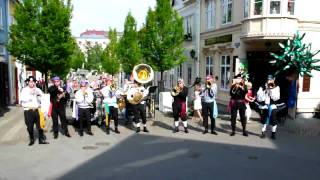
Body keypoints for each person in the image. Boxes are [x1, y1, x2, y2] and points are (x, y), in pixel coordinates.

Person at [20, 76, 49, 146]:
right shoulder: (24, 90)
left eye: (33, 82)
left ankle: (41, 140)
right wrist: (30, 94)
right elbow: (22, 99)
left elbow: (43, 98)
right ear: (28, 82)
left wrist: (39, 96)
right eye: (30, 82)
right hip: (28, 110)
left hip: (37, 110)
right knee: (29, 127)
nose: (32, 83)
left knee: (40, 126)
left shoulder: (38, 89)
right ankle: (32, 139)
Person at [257, 75, 281, 139]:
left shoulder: (276, 87)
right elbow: (259, 99)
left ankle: (273, 134)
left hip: (273, 106)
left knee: (273, 120)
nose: (269, 81)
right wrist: (265, 91)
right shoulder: (262, 87)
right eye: (268, 80)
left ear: (274, 80)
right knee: (264, 120)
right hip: (264, 106)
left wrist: (271, 90)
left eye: (270, 80)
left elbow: (276, 98)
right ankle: (263, 133)